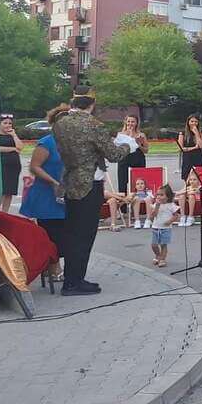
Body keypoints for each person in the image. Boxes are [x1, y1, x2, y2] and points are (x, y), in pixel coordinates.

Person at [52, 92, 130, 295]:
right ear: (91, 105)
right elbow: (114, 155)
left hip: (70, 180)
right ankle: (74, 282)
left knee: (73, 233)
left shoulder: (60, 123)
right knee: (85, 235)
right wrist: (127, 145)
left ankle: (72, 278)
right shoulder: (93, 125)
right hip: (89, 184)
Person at [20, 105, 68, 257]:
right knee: (51, 236)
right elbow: (34, 167)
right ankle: (52, 265)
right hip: (47, 195)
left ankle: (58, 263)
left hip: (66, 194)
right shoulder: (46, 143)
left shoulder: (72, 143)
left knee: (65, 237)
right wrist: (54, 182)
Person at [115, 114, 148, 194]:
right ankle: (123, 200)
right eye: (128, 121)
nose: (130, 123)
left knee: (139, 182)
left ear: (136, 123)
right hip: (124, 160)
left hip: (138, 159)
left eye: (133, 122)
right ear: (126, 122)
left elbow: (146, 150)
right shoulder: (120, 134)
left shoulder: (141, 135)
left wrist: (139, 144)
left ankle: (138, 199)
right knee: (122, 182)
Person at [0, 113, 24, 213]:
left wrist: (14, 135)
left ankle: (5, 212)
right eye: (5, 123)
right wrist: (12, 149)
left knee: (9, 191)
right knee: (1, 191)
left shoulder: (12, 135)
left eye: (10, 123)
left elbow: (20, 147)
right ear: (0, 124)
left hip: (13, 167)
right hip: (2, 165)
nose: (8, 125)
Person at [148, 184, 178, 268]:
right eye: (157, 194)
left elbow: (176, 215)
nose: (159, 197)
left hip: (166, 229)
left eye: (161, 195)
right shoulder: (155, 205)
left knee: (163, 245)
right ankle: (158, 255)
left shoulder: (171, 205)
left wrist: (170, 221)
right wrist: (157, 207)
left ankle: (162, 259)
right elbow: (152, 216)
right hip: (156, 228)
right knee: (154, 245)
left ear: (168, 196)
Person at [178, 114, 202, 181]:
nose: (194, 123)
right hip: (188, 158)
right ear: (188, 122)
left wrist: (196, 133)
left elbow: (201, 145)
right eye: (192, 121)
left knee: (200, 177)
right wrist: (193, 148)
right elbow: (181, 148)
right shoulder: (182, 133)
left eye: (196, 121)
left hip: (199, 157)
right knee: (187, 178)